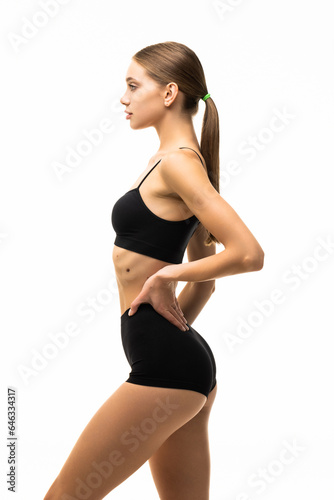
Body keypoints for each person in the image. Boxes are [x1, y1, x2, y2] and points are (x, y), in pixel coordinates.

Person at [44, 41, 264, 500]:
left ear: (168, 93)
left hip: (166, 368)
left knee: (65, 496)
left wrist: (164, 278)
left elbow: (247, 253)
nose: (123, 98)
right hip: (178, 363)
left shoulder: (180, 164)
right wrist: (170, 328)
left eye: (131, 85)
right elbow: (206, 279)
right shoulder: (173, 162)